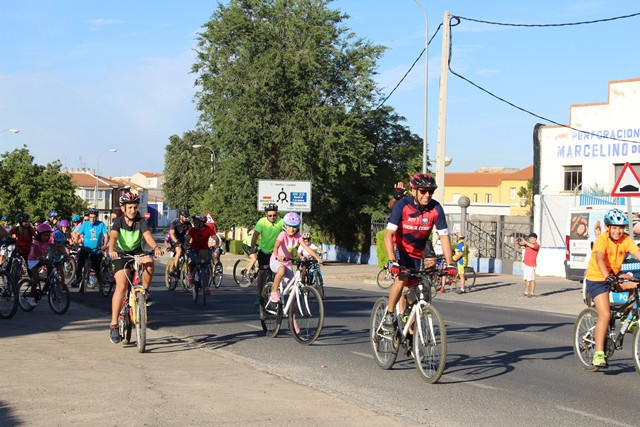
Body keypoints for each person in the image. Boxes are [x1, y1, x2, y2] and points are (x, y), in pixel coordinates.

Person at [382, 173, 456, 333]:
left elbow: (444, 237)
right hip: (400, 249)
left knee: (420, 290)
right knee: (401, 280)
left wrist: (450, 265)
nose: (427, 195)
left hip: (418, 253)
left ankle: (409, 330)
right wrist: (392, 261)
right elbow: (388, 235)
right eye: (423, 191)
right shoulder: (403, 205)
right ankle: (389, 314)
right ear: (414, 191)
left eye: (430, 191)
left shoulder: (436, 208)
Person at [585, 208, 640, 368]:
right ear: (607, 227)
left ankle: (627, 318)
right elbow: (600, 259)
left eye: (621, 228)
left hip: (615, 275)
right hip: (597, 279)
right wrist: (607, 275)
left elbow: (638, 253)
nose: (617, 231)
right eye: (614, 228)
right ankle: (598, 354)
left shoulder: (626, 239)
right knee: (606, 314)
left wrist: (615, 276)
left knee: (635, 284)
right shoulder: (602, 240)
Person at [108, 192, 163, 344]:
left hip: (137, 252)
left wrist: (156, 247)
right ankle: (113, 325)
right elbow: (113, 237)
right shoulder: (118, 222)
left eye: (135, 207)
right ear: (123, 208)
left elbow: (148, 237)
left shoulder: (141, 221)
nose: (133, 210)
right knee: (121, 286)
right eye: (130, 207)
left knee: (150, 261)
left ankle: (144, 292)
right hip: (120, 254)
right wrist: (111, 250)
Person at [266, 212, 323, 309]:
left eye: (295, 227)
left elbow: (307, 248)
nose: (292, 229)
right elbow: (276, 246)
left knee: (294, 291)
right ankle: (274, 292)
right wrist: (277, 256)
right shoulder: (282, 234)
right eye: (290, 226)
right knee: (281, 270)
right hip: (276, 261)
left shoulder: (298, 237)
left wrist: (317, 258)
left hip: (287, 263)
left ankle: (293, 320)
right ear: (285, 226)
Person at [251, 203, 284, 302]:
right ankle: (260, 295)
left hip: (276, 252)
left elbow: (287, 234)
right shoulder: (262, 222)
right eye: (270, 215)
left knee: (278, 272)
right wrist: (252, 247)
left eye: (274, 215)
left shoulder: (281, 222)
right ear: (266, 214)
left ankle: (275, 292)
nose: (272, 217)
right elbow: (255, 235)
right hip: (264, 251)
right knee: (262, 272)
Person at [70, 208, 109, 289]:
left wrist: (105, 245)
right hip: (86, 248)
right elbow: (77, 233)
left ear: (97, 217)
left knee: (97, 270)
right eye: (91, 217)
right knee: (79, 265)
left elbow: (106, 235)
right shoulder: (85, 224)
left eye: (94, 217)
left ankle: (101, 285)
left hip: (96, 250)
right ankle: (78, 278)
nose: (92, 219)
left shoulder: (101, 224)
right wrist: (77, 243)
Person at [184, 213, 218, 295]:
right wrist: (185, 245)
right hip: (194, 249)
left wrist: (216, 244)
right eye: (194, 222)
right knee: (193, 263)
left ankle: (206, 286)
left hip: (204, 250)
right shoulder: (192, 230)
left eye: (196, 222)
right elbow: (188, 239)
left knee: (206, 266)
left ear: (202, 223)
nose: (194, 224)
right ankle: (190, 275)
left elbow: (216, 238)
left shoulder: (208, 229)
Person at [26, 223, 56, 307]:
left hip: (39, 259)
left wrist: (64, 254)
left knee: (49, 263)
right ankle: (31, 298)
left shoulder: (47, 242)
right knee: (36, 278)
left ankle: (49, 279)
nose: (46, 237)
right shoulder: (36, 242)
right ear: (39, 235)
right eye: (44, 235)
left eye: (47, 235)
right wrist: (39, 257)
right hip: (32, 260)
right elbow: (35, 252)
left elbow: (54, 247)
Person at [167, 209, 191, 276]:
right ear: (181, 216)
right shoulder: (175, 222)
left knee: (189, 252)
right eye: (185, 216)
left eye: (187, 217)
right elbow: (172, 233)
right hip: (174, 239)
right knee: (179, 250)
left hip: (183, 239)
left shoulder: (188, 224)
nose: (187, 218)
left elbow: (191, 235)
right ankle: (174, 268)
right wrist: (176, 242)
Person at [517, 232, 540, 297]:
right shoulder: (528, 245)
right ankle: (526, 292)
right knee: (526, 279)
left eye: (531, 238)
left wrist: (525, 242)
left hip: (531, 264)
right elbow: (519, 247)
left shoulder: (536, 245)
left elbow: (533, 246)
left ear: (535, 239)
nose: (530, 239)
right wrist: (517, 242)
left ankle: (532, 293)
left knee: (531, 279)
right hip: (526, 263)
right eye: (529, 238)